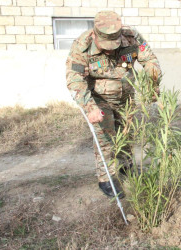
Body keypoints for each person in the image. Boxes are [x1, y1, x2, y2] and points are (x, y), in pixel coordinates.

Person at [66, 11, 161, 198]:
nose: (110, 51)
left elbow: (149, 59)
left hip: (127, 97)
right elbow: (74, 80)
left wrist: (152, 81)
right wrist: (90, 107)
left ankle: (126, 168)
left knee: (127, 134)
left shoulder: (131, 37)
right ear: (95, 34)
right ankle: (106, 178)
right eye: (105, 47)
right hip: (99, 99)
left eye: (113, 46)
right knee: (106, 140)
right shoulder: (82, 46)